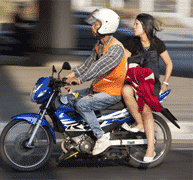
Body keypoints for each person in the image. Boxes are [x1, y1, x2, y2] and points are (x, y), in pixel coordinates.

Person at [64, 8, 127, 155]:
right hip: (98, 89)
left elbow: (97, 68)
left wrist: (79, 79)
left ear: (106, 26)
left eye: (96, 24)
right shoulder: (99, 45)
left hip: (112, 92)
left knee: (82, 103)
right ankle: (80, 135)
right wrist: (66, 77)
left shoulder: (115, 49)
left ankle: (101, 137)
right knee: (67, 98)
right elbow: (87, 65)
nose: (92, 26)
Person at [121, 13, 173, 162]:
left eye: (136, 24)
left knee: (145, 107)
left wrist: (165, 82)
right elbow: (123, 61)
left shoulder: (158, 44)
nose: (133, 26)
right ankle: (139, 123)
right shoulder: (132, 43)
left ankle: (151, 149)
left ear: (145, 26)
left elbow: (169, 63)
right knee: (125, 90)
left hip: (151, 83)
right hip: (135, 80)